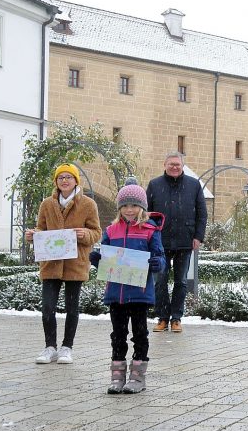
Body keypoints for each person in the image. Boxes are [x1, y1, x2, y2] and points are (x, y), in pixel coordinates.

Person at [90, 178, 166, 394]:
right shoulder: (111, 230)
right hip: (116, 293)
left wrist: (156, 263)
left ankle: (137, 377)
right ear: (119, 208)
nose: (129, 210)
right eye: (125, 205)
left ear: (142, 207)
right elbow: (105, 258)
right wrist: (96, 259)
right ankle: (117, 376)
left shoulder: (150, 230)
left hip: (139, 293)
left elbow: (160, 258)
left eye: (134, 205)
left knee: (140, 333)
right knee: (118, 334)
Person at [25, 163, 102, 364]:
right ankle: (49, 346)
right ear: (56, 181)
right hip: (51, 263)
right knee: (48, 307)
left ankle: (67, 347)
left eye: (69, 177)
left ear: (76, 180)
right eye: (61, 177)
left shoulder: (88, 204)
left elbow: (97, 232)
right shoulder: (47, 205)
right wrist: (33, 235)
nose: (65, 181)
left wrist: (85, 234)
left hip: (75, 263)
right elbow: (41, 229)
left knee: (72, 307)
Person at [146, 151, 207, 333]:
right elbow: (146, 213)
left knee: (180, 281)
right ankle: (163, 318)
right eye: (171, 164)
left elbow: (202, 213)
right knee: (160, 281)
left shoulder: (194, 185)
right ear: (165, 165)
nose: (174, 167)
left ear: (182, 166)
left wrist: (198, 236)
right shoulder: (154, 185)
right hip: (160, 242)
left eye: (177, 164)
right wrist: (148, 236)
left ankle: (176, 318)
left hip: (185, 240)